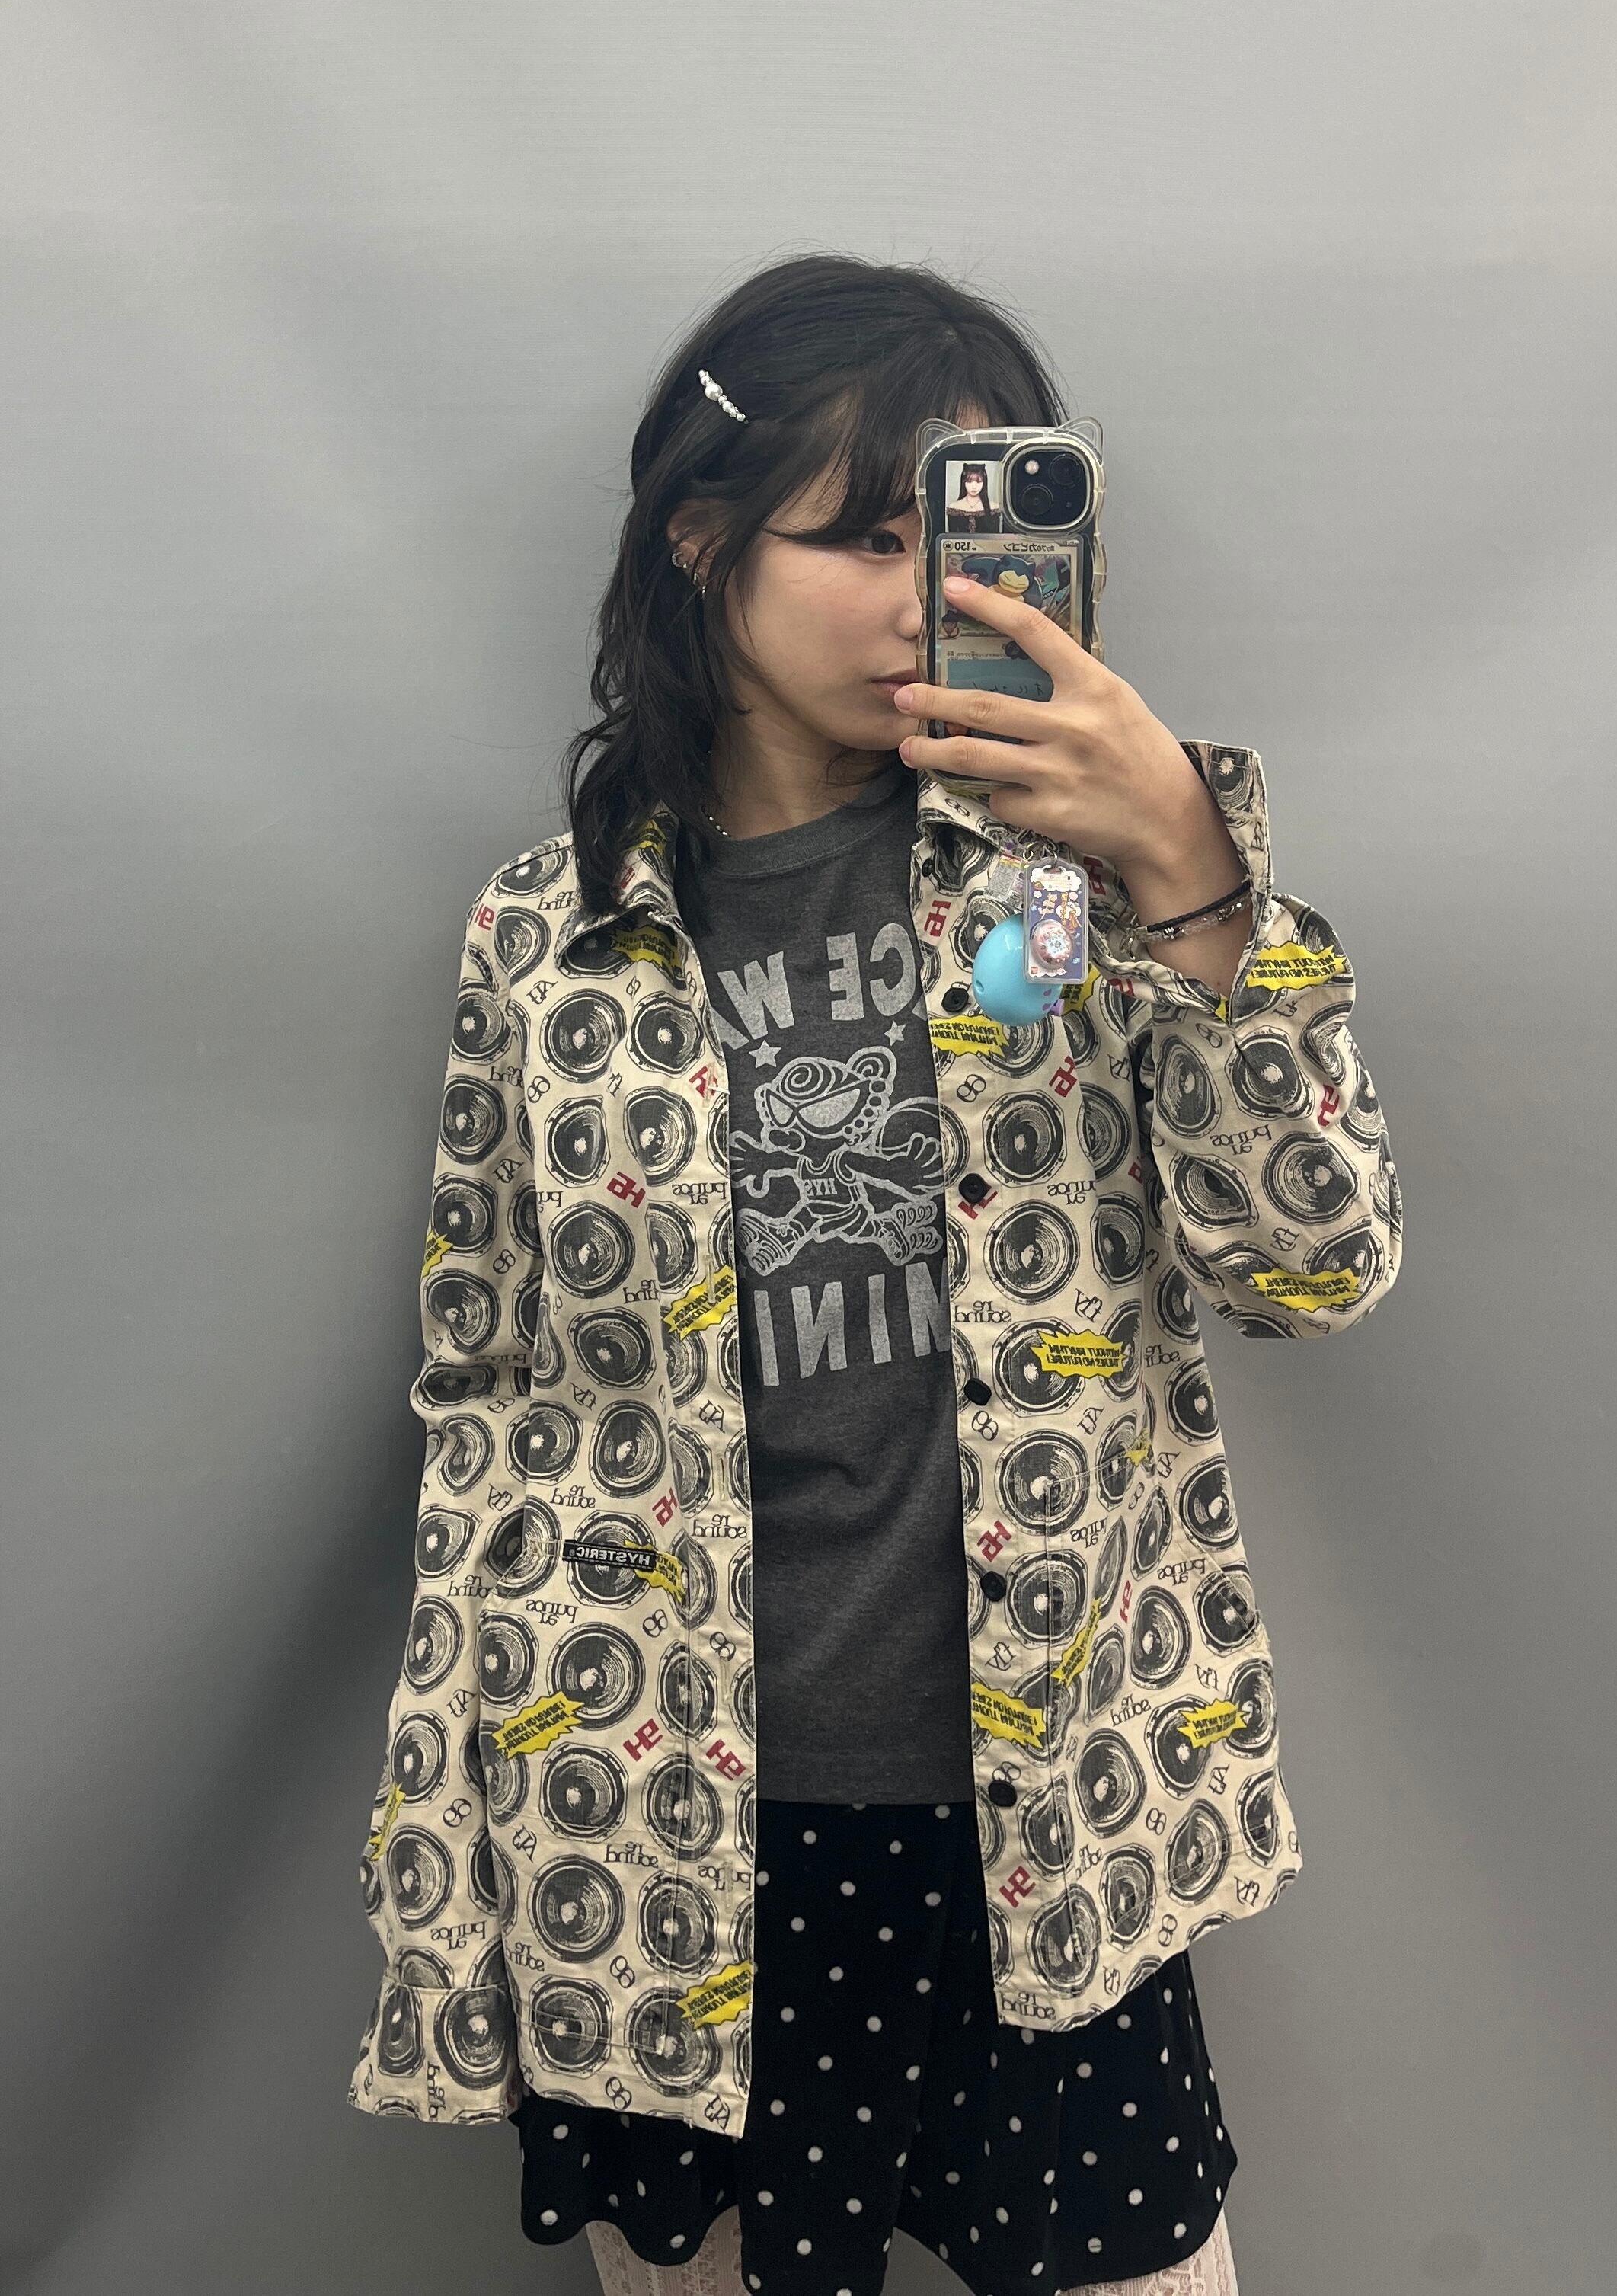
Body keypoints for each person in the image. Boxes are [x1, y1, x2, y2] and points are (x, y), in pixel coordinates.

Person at [345, 252, 1402, 2296]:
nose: (930, 593)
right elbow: (483, 1401)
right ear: (701, 542)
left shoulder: (1077, 876)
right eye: (864, 536)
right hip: (660, 1826)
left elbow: (1311, 1264)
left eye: (969, 529)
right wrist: (461, 1810)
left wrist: (1190, 866)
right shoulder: (546, 937)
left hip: (1049, 1816)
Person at [948, 461, 999, 530]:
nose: (974, 486)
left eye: (978, 482)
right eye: (969, 482)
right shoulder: (954, 508)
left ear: (984, 483)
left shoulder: (994, 507)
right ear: (964, 482)